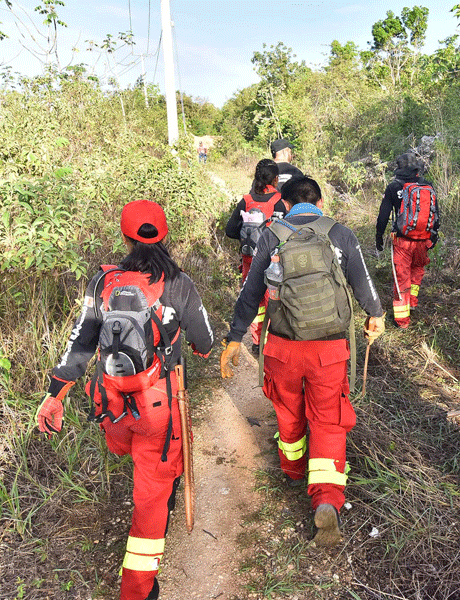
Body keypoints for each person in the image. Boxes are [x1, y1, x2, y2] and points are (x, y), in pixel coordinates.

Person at [36, 199, 214, 600]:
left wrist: (54, 396)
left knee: (135, 456)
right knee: (151, 496)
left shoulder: (102, 283)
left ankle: (153, 486)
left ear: (124, 236)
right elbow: (204, 342)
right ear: (165, 235)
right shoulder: (179, 283)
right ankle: (137, 591)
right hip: (157, 407)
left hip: (110, 405)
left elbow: (80, 343)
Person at [219, 176, 384, 546]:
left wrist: (234, 338)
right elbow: (363, 284)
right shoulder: (340, 234)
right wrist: (375, 314)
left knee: (288, 407)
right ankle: (326, 499)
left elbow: (250, 294)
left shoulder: (271, 235)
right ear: (320, 202)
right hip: (329, 349)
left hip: (283, 347)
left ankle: (293, 469)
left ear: (286, 205)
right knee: (328, 420)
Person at [225, 158, 287, 353]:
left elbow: (230, 230)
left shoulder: (246, 200)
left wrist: (247, 238)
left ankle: (257, 342)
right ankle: (273, 342)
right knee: (274, 301)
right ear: (275, 180)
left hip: (249, 260)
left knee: (254, 299)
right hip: (273, 261)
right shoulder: (280, 202)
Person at [375, 153, 440, 328]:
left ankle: (402, 321)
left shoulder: (393, 187)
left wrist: (379, 237)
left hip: (402, 241)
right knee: (417, 271)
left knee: (401, 279)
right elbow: (436, 213)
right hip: (424, 240)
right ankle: (412, 301)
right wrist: (434, 236)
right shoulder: (428, 185)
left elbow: (383, 216)